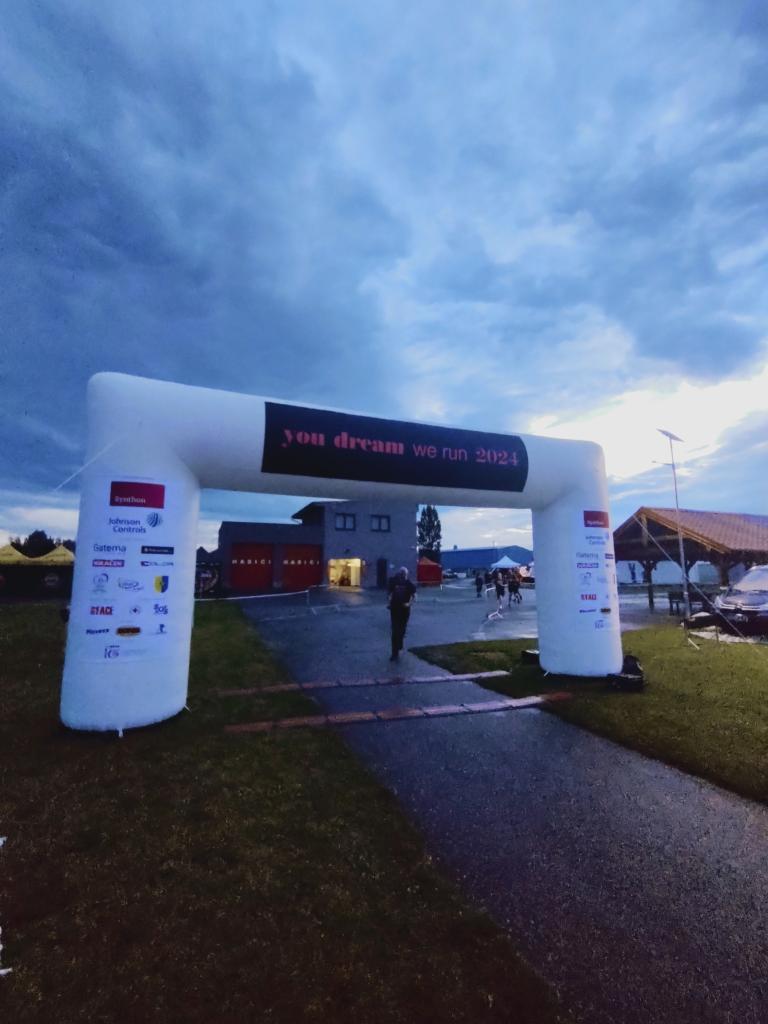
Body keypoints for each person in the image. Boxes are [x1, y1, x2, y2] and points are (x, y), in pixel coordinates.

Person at [387, 566, 416, 661]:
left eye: (404, 574)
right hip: (395, 609)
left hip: (404, 611)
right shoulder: (394, 582)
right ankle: (394, 654)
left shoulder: (409, 584)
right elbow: (389, 594)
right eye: (401, 574)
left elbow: (414, 596)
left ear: (406, 575)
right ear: (399, 574)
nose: (402, 576)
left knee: (402, 630)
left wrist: (409, 603)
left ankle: (400, 643)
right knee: (395, 631)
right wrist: (389, 601)